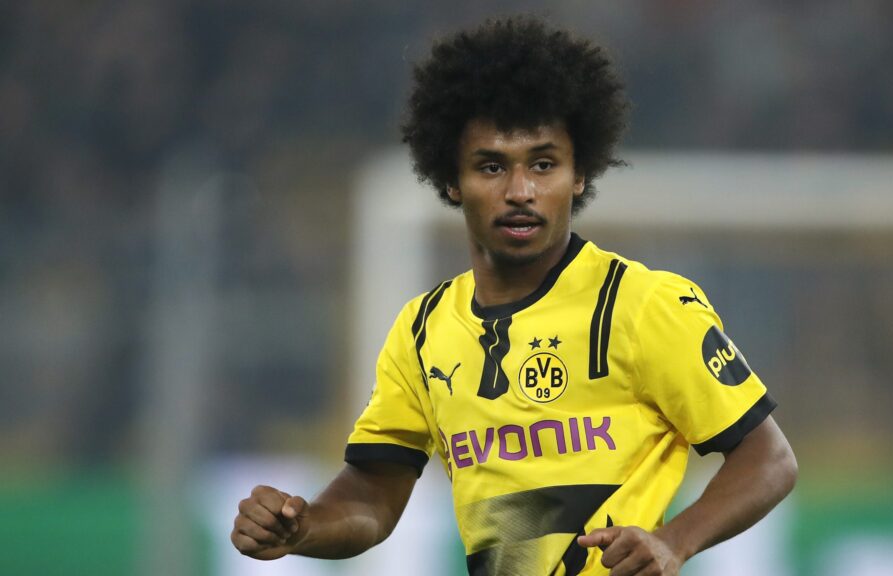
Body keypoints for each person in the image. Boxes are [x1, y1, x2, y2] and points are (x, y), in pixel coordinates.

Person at [231, 16, 797, 576]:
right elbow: (374, 491)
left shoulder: (642, 305)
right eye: (491, 166)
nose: (520, 191)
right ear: (452, 181)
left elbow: (769, 458)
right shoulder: (423, 329)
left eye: (543, 164)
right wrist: (301, 527)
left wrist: (675, 541)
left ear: (579, 174)